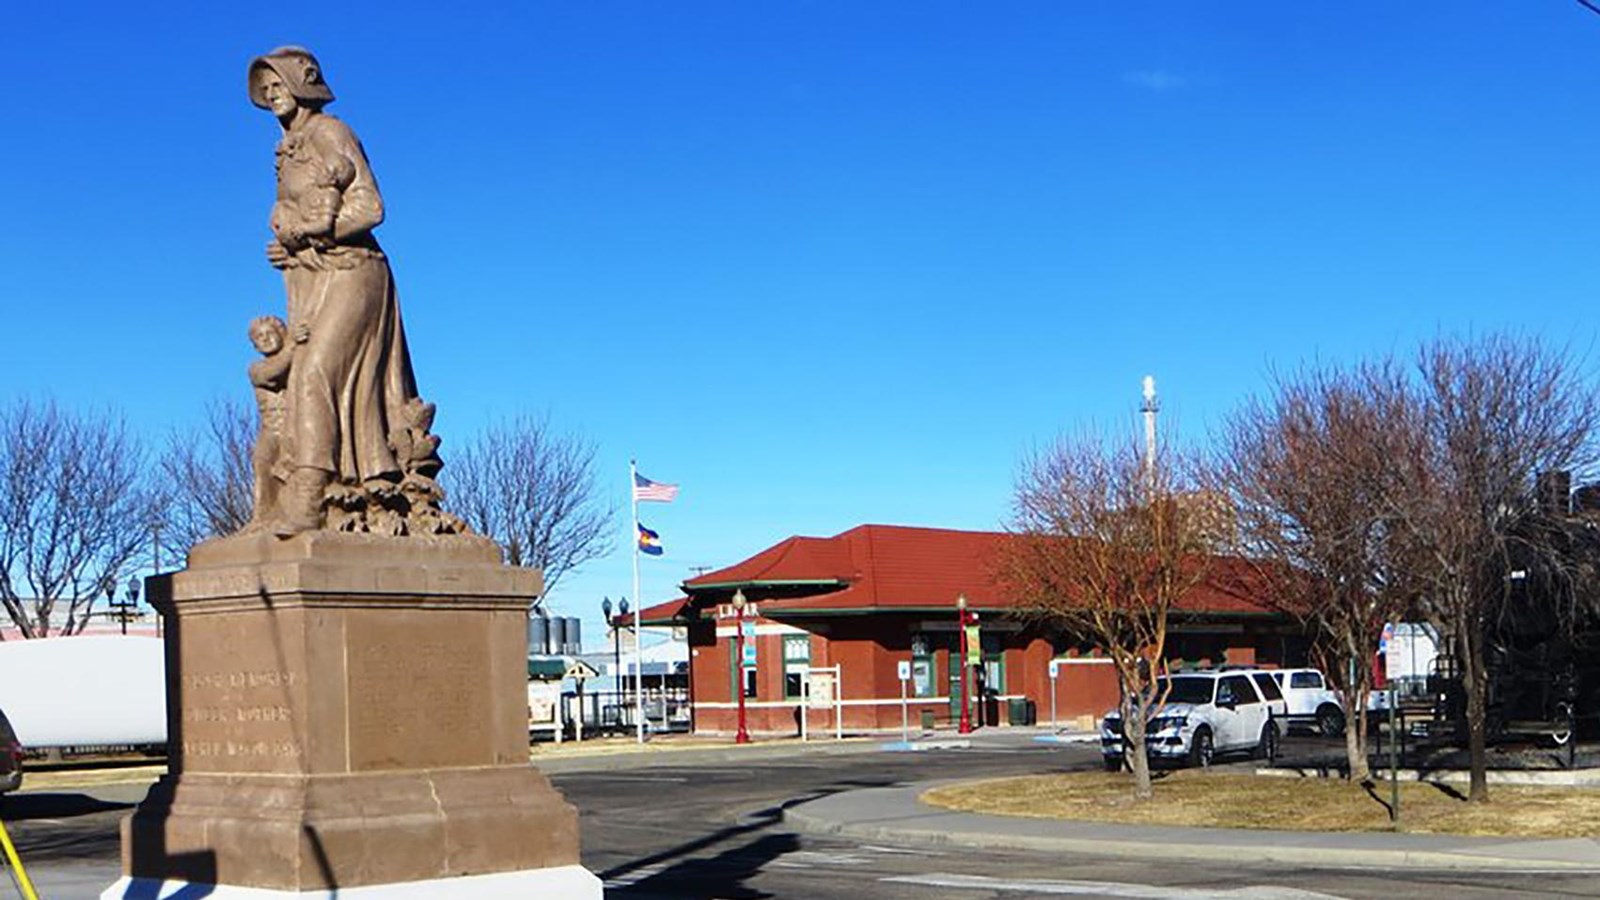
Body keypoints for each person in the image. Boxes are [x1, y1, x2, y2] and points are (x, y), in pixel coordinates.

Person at [248, 47, 444, 535]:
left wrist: (310, 235)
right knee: (301, 383)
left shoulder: (331, 132)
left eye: (280, 86)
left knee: (314, 374)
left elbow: (371, 208)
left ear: (302, 84)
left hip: (357, 272)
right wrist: (289, 250)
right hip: (316, 279)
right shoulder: (286, 149)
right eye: (266, 90)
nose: (274, 97)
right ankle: (322, 494)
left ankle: (309, 499)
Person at [245, 315, 294, 529]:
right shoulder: (256, 369)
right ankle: (262, 517)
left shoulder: (298, 362)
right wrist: (294, 346)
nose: (265, 339)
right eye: (259, 337)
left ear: (281, 334)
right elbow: (273, 374)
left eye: (269, 333)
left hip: (296, 428)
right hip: (272, 430)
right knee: (262, 462)